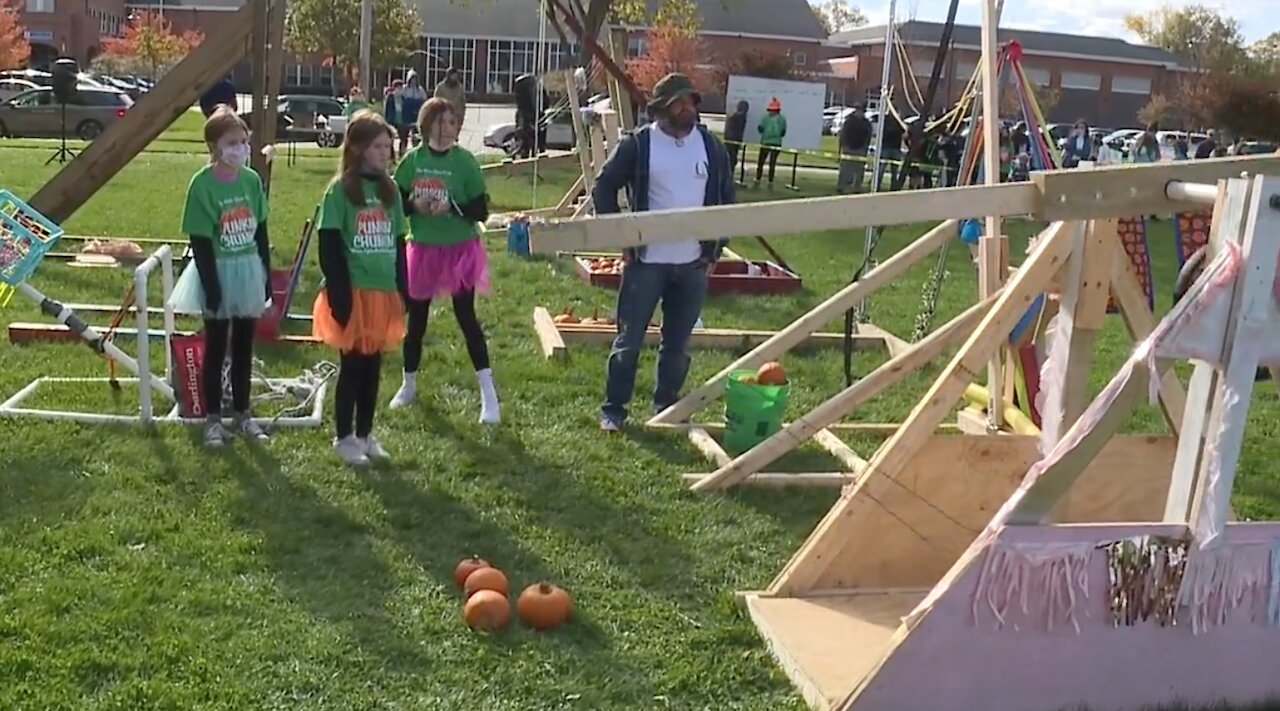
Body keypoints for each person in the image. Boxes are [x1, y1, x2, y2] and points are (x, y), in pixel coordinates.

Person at [590, 72, 734, 432]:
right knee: (628, 342)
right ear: (661, 109)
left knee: (678, 345)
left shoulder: (712, 147)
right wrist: (625, 237)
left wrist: (714, 250)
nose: (687, 108)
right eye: (679, 102)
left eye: (691, 101)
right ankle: (614, 411)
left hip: (692, 264)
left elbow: (728, 202)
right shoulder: (639, 145)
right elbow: (603, 189)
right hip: (647, 263)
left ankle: (665, 408)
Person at [388, 97, 500, 423]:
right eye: (442, 121)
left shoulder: (465, 162)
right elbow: (396, 200)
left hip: (459, 249)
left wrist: (452, 207)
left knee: (467, 317)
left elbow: (481, 210)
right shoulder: (413, 161)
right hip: (422, 249)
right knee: (417, 321)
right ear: (427, 125)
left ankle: (488, 394)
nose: (449, 128)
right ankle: (408, 384)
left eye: (453, 122)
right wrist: (415, 203)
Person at [167, 105, 272, 447]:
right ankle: (213, 419)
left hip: (247, 270)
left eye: (243, 141)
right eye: (231, 142)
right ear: (214, 146)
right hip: (217, 270)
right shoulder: (202, 185)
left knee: (243, 346)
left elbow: (261, 230)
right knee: (215, 347)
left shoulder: (251, 180)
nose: (240, 148)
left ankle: (243, 414)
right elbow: (199, 239)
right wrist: (211, 286)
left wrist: (265, 274)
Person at [311, 110, 409, 467]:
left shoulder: (390, 190)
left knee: (373, 366)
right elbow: (329, 245)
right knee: (352, 365)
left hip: (382, 293)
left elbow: (399, 243)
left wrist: (403, 285)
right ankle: (344, 436)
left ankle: (366, 434)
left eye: (389, 146)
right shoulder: (340, 191)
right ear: (357, 148)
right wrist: (339, 292)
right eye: (378, 146)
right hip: (353, 291)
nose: (386, 153)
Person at [836, 105, 872, 193]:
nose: (859, 113)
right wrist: (841, 147)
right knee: (845, 169)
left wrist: (866, 148)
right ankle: (841, 186)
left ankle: (857, 187)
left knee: (859, 170)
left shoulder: (866, 123)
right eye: (858, 110)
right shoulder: (849, 121)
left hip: (860, 148)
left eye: (861, 111)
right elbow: (843, 135)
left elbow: (868, 136)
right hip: (848, 147)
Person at [754, 97, 786, 189]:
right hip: (776, 143)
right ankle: (770, 180)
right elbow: (783, 132)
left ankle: (758, 178)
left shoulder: (765, 117)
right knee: (772, 163)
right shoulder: (782, 119)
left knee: (761, 162)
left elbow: (760, 129)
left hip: (765, 142)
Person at [723, 100, 748, 178]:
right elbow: (736, 130)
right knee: (732, 160)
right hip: (732, 140)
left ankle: (729, 175)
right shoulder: (739, 117)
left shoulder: (737, 116)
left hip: (732, 140)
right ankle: (729, 175)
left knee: (731, 160)